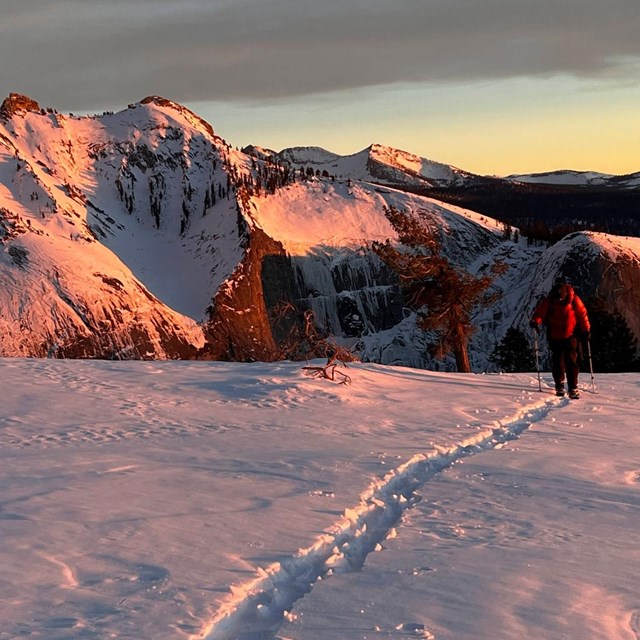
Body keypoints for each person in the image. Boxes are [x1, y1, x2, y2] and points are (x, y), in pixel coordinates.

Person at [530, 280, 591, 398]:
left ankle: (573, 387)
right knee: (558, 361)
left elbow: (582, 314)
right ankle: (559, 385)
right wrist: (535, 321)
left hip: (570, 335)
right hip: (555, 335)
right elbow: (540, 313)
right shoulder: (550, 301)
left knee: (571, 361)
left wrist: (586, 330)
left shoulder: (573, 300)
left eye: (561, 299)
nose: (559, 301)